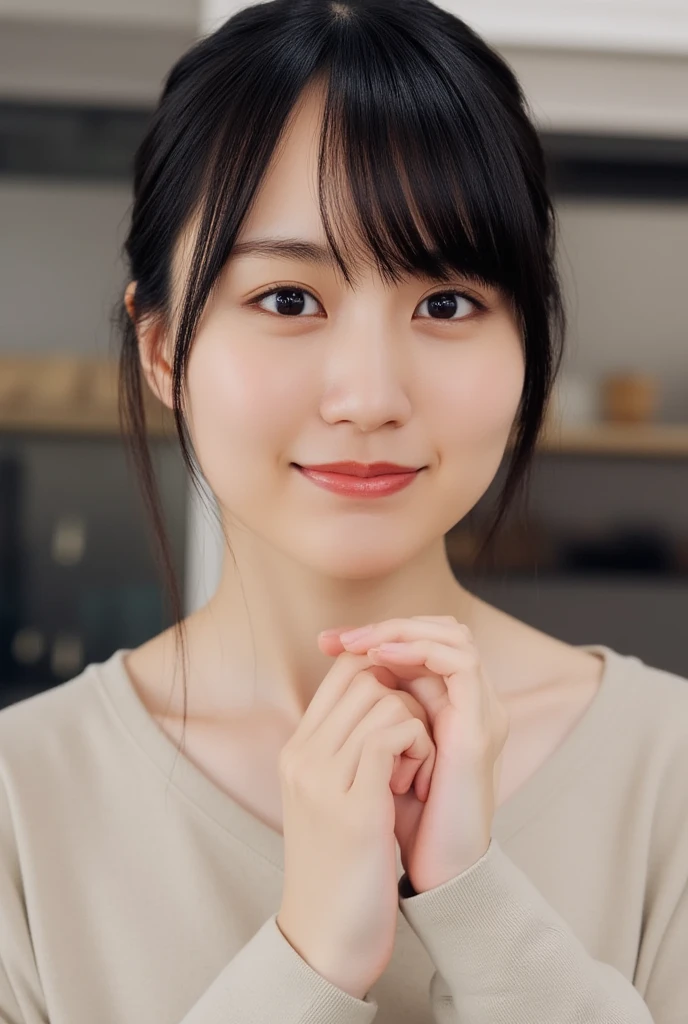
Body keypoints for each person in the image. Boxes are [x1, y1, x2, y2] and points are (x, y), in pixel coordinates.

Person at [1, 0, 687, 1021]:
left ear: (528, 350)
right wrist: (308, 959)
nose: (368, 394)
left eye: (445, 304)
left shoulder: (668, 767)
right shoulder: (21, 803)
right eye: (287, 299)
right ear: (159, 350)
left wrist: (478, 903)